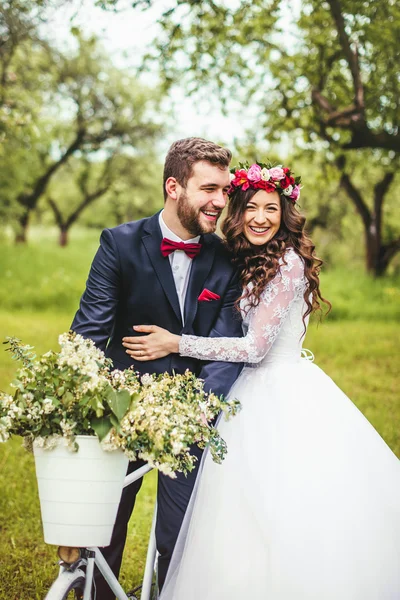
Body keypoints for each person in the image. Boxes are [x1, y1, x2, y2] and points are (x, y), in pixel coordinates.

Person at [123, 161, 400, 599]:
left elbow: (254, 348)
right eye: (250, 207)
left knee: (285, 502)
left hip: (281, 392)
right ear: (237, 211)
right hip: (245, 391)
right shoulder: (249, 258)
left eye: (271, 208)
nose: (260, 217)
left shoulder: (287, 263)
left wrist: (177, 342)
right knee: (236, 510)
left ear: (285, 213)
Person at [71, 137, 244, 599]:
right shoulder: (120, 243)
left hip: (194, 414)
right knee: (101, 525)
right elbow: (89, 331)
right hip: (121, 409)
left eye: (225, 191)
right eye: (209, 189)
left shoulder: (229, 258)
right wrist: (96, 403)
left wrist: (197, 412)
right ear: (174, 186)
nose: (220, 201)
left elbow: (226, 346)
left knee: (182, 533)